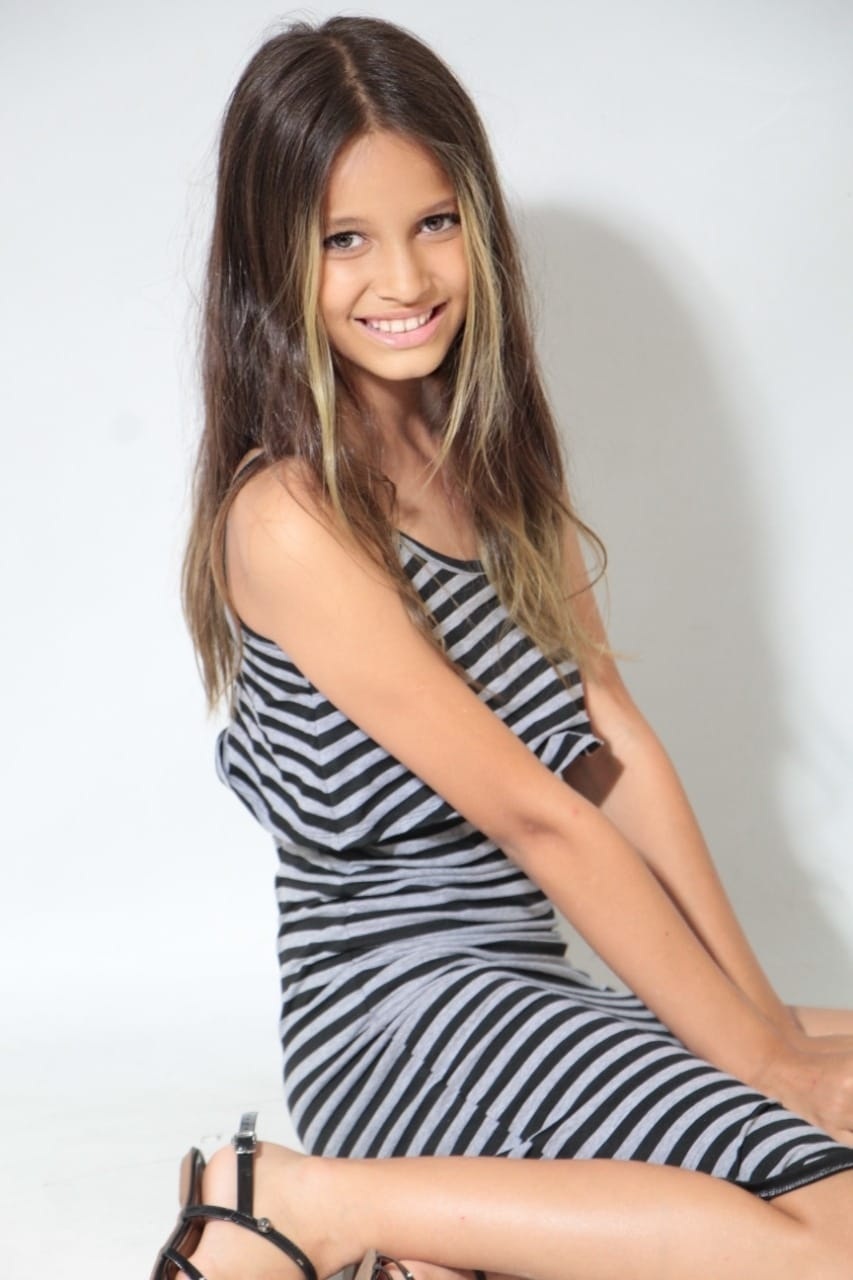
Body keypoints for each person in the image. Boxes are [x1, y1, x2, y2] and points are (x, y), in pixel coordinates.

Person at [153, 14, 853, 1280]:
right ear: (273, 255)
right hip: (402, 1024)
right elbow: (539, 814)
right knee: (837, 1233)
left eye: (433, 222)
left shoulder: (490, 452)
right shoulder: (289, 518)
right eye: (345, 239)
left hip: (531, 986)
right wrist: (765, 1065)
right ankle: (311, 1198)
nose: (403, 279)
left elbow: (607, 741)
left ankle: (446, 1250)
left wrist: (767, 1032)